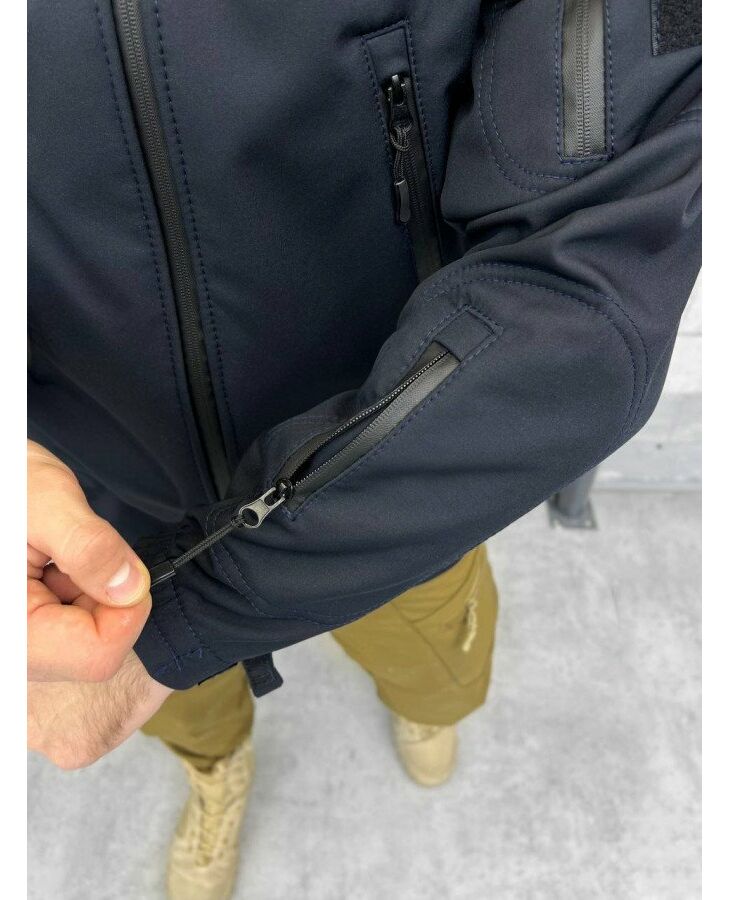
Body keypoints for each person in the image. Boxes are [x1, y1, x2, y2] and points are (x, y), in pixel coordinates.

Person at [28, 2, 701, 898]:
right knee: (168, 708)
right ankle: (215, 770)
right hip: (90, 517)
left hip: (396, 476)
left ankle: (423, 707)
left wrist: (194, 614)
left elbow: (587, 292)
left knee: (432, 665)